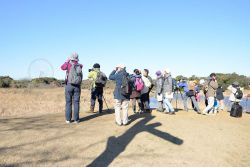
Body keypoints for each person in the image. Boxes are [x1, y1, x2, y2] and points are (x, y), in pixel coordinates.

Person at [61, 53, 83, 124]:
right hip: (77, 86)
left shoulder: (68, 64)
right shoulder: (80, 65)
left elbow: (62, 67)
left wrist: (67, 61)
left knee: (68, 102)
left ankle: (68, 119)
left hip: (69, 85)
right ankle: (76, 119)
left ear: (71, 58)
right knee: (76, 102)